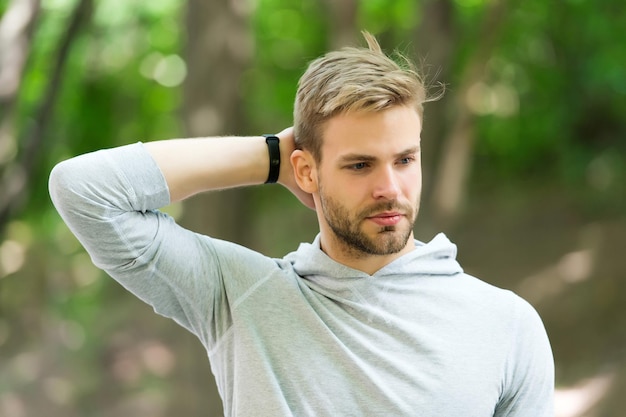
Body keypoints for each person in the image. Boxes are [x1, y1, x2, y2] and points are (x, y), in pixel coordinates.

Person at [49, 32, 554, 416]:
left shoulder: (507, 326)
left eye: (404, 160)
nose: (390, 188)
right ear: (307, 171)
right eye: (360, 165)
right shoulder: (239, 296)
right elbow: (85, 191)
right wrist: (270, 155)